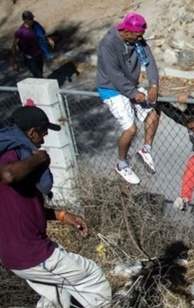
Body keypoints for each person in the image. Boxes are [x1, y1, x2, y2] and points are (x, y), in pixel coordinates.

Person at [0, 106, 111, 307]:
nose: (43, 140)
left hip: (14, 255)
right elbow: (8, 175)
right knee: (91, 276)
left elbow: (21, 207)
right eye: (43, 134)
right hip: (32, 253)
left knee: (55, 297)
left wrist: (61, 215)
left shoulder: (19, 161)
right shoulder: (11, 157)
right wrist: (39, 158)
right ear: (32, 132)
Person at [96, 12, 160, 185]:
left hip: (130, 85)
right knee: (130, 129)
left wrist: (153, 84)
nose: (140, 39)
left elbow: (150, 62)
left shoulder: (137, 41)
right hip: (111, 89)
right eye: (138, 35)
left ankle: (146, 150)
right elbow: (114, 74)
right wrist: (133, 94)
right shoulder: (109, 44)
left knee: (152, 114)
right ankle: (122, 164)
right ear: (128, 31)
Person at [11, 10, 55, 78]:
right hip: (30, 59)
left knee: (40, 75)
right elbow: (14, 46)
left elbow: (40, 35)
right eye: (29, 19)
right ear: (24, 20)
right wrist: (14, 62)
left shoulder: (35, 25)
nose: (31, 21)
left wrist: (48, 39)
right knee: (38, 76)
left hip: (39, 55)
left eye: (31, 19)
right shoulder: (20, 32)